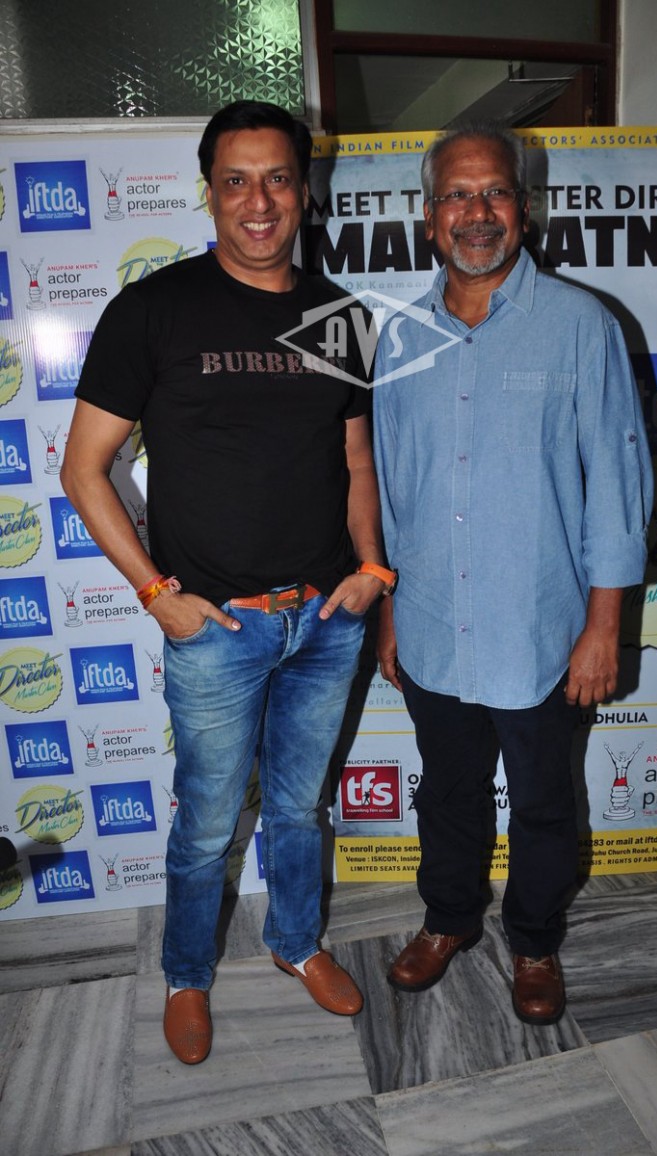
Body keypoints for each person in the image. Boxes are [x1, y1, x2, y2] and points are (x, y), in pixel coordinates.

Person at [61, 100, 396, 1064]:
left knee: (297, 808)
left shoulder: (340, 317)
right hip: (216, 632)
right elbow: (83, 469)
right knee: (207, 826)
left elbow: (357, 461)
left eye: (278, 178)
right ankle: (186, 973)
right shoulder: (152, 309)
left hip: (325, 620)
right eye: (237, 180)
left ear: (304, 190)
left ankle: (296, 942)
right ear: (208, 192)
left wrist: (371, 570)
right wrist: (155, 593)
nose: (260, 201)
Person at [373, 123, 652, 1025]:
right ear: (429, 217)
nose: (477, 212)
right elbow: (390, 490)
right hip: (430, 624)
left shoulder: (580, 326)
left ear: (523, 210)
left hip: (542, 633)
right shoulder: (400, 337)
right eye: (457, 195)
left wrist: (604, 626)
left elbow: (617, 485)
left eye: (494, 191)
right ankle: (449, 918)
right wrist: (389, 611)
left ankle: (533, 940)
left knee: (542, 803)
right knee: (447, 792)